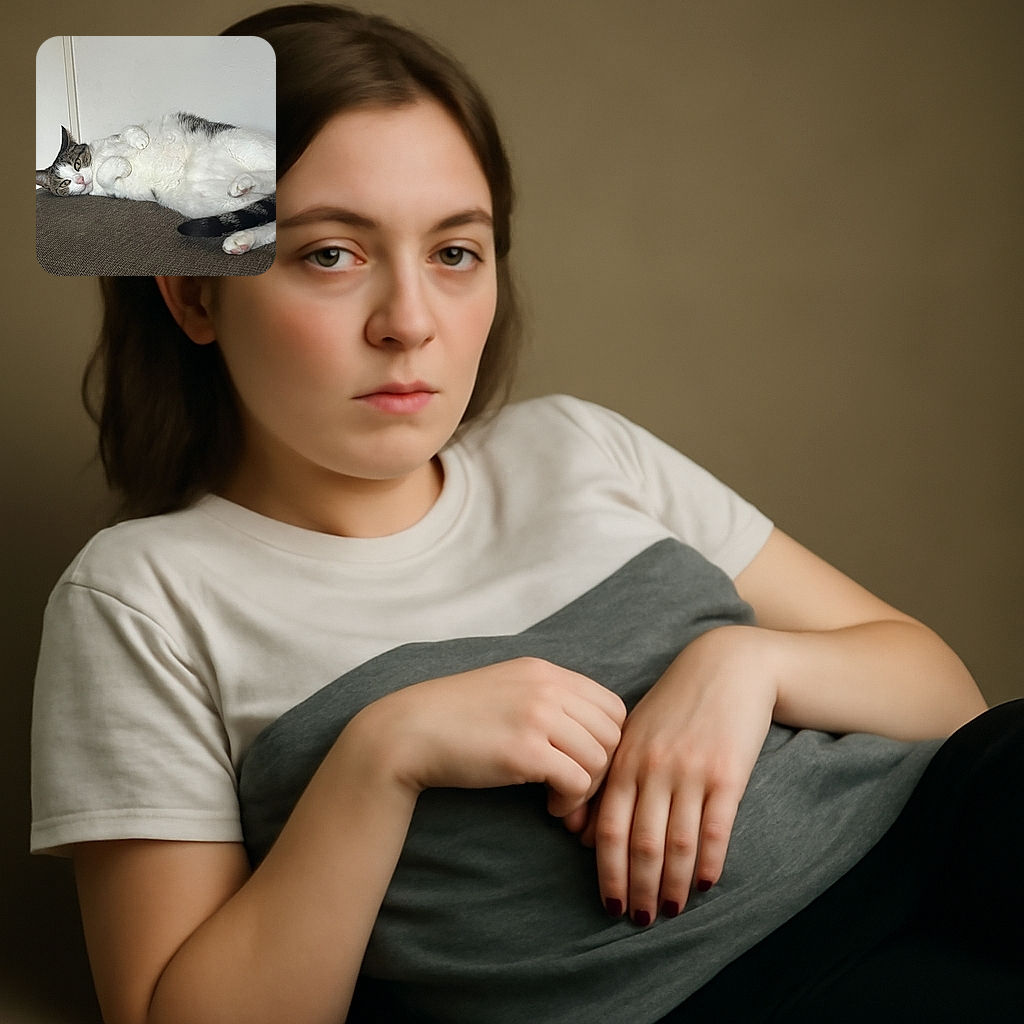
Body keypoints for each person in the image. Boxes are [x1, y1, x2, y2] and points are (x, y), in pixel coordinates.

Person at [30, 5, 1022, 1023]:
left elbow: (946, 697)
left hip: (946, 824)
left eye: (455, 253)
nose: (410, 323)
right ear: (196, 297)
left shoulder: (575, 442)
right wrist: (382, 755)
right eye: (331, 254)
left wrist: (745, 666)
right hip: (755, 990)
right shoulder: (139, 593)